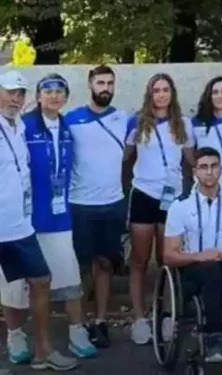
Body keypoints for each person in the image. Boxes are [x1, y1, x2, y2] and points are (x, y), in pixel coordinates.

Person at [1, 74, 97, 362]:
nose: (54, 96)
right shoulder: (23, 124)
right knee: (14, 286)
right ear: (39, 96)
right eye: (48, 91)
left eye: (59, 91)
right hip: (19, 221)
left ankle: (72, 334)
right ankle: (17, 337)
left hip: (51, 218)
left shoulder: (66, 127)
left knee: (63, 277)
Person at [163, 146, 222, 363]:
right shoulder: (180, 205)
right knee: (210, 269)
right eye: (204, 167)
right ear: (195, 171)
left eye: (214, 166)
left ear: (221, 170)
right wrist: (199, 256)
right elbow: (169, 255)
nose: (209, 172)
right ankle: (215, 336)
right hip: (196, 268)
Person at [124, 73, 195, 345]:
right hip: (143, 195)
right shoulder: (137, 123)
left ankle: (167, 315)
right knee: (140, 261)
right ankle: (139, 318)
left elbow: (191, 161)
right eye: (156, 90)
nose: (161, 95)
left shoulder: (183, 124)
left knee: (168, 260)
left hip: (173, 199)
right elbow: (125, 159)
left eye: (166, 90)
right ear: (149, 94)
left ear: (172, 93)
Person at [65, 65, 130, 348]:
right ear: (90, 84)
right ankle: (79, 324)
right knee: (80, 268)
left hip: (112, 203)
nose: (106, 87)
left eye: (110, 83)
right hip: (80, 204)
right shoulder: (71, 119)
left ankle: (101, 321)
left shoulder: (124, 119)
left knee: (105, 264)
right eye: (101, 82)